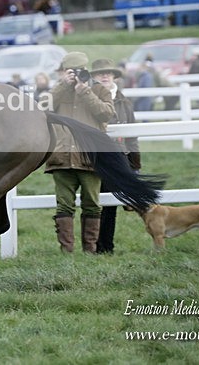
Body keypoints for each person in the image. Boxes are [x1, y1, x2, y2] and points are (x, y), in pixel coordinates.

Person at [45, 52, 115, 254]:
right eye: (71, 71)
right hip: (62, 157)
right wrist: (62, 84)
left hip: (89, 157)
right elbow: (42, 107)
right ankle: (67, 251)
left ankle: (90, 250)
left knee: (92, 204)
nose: (75, 75)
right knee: (64, 206)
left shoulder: (100, 90)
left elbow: (106, 113)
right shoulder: (58, 91)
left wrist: (85, 91)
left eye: (79, 71)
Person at [89, 59, 141, 254]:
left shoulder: (124, 102)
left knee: (110, 204)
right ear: (94, 77)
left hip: (118, 156)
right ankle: (92, 245)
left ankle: (106, 246)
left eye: (108, 73)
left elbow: (132, 135)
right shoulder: (88, 98)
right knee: (93, 202)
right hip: (95, 156)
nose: (105, 76)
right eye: (100, 73)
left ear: (114, 76)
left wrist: (134, 165)